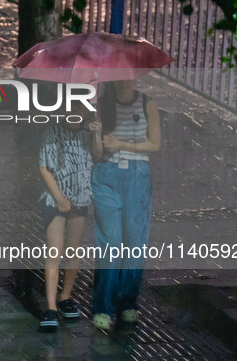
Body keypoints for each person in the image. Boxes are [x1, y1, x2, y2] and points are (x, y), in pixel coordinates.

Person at [91, 80, 161, 330]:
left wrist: (123, 145)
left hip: (137, 175)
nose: (125, 77)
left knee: (134, 240)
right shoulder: (101, 104)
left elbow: (155, 144)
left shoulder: (147, 103)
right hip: (105, 175)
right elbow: (96, 155)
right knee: (109, 242)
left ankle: (127, 302)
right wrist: (95, 133)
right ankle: (103, 307)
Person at [38, 102, 102, 329]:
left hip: (81, 197)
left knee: (74, 250)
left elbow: (98, 156)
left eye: (82, 109)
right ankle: (51, 306)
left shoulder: (88, 131)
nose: (78, 113)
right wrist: (59, 198)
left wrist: (97, 134)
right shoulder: (53, 131)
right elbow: (44, 167)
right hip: (56, 200)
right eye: (73, 108)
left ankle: (66, 297)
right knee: (54, 250)